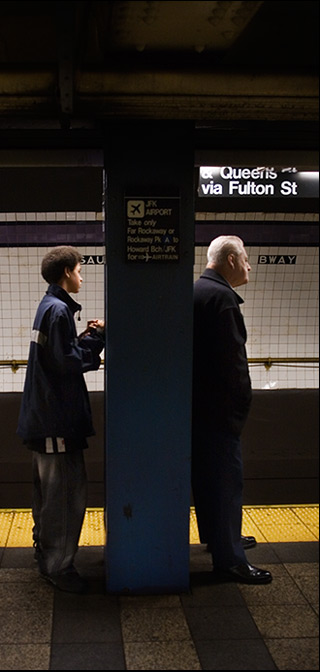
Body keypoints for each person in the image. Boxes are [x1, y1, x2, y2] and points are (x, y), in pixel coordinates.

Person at [16, 245, 105, 593]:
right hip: (56, 422)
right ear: (67, 271)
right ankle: (59, 567)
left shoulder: (48, 307)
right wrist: (97, 340)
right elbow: (65, 362)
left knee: (48, 494)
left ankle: (46, 554)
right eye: (80, 270)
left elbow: (59, 354)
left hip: (44, 419)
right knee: (66, 496)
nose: (82, 276)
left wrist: (87, 339)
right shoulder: (58, 311)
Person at [192, 235, 272, 584]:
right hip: (219, 412)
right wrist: (242, 405)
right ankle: (230, 559)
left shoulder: (197, 292)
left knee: (209, 481)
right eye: (245, 259)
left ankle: (220, 537)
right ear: (229, 261)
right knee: (226, 483)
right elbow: (232, 364)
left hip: (198, 407)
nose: (249, 265)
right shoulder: (223, 299)